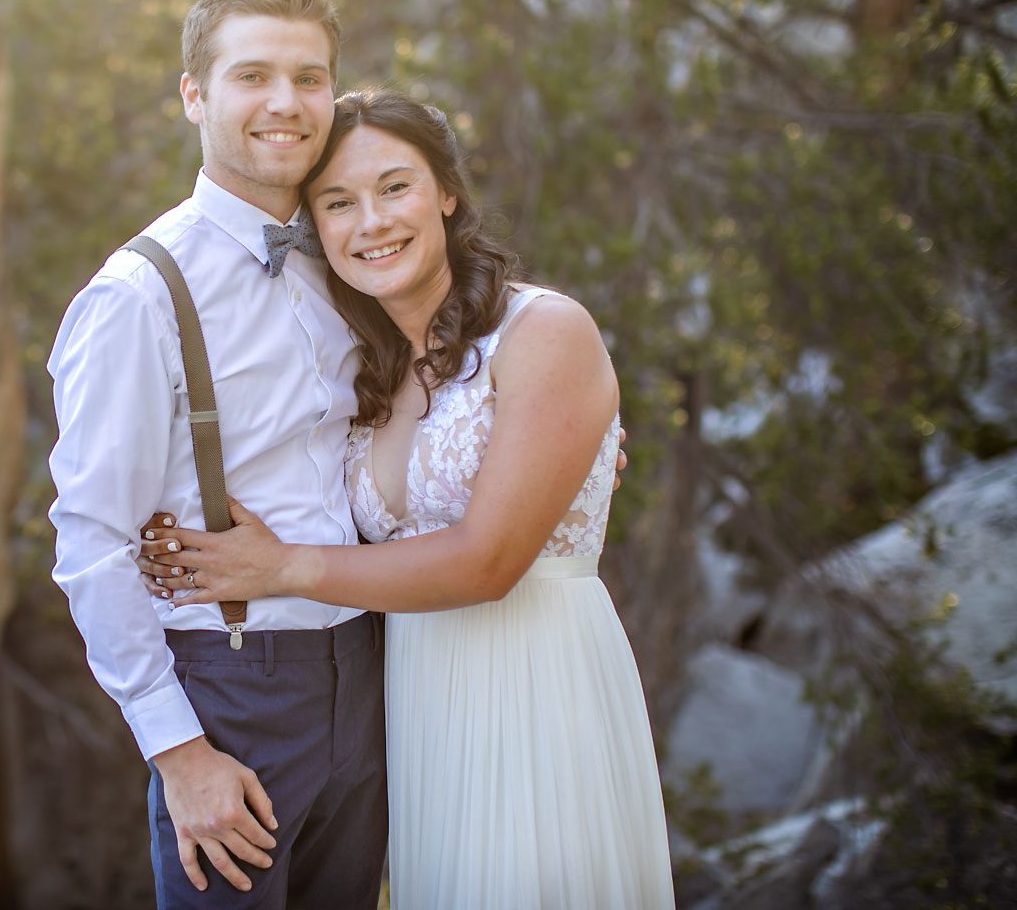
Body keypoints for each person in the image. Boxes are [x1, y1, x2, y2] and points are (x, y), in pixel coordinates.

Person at [137, 89, 675, 908]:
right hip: (416, 708)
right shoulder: (370, 365)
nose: (372, 222)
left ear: (446, 193)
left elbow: (489, 560)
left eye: (396, 187)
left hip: (535, 689)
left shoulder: (545, 331)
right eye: (338, 203)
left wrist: (280, 568)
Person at [47, 0, 388, 908]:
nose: (286, 102)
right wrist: (180, 752)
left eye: (309, 77)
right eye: (253, 76)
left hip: (372, 677)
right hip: (232, 691)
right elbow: (89, 544)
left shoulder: (354, 254)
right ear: (194, 94)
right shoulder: (139, 296)